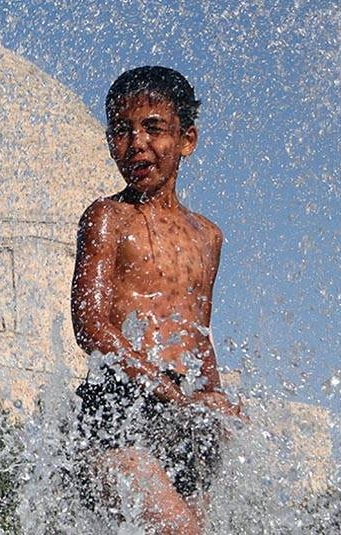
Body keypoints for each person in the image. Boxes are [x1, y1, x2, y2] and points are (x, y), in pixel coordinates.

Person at [71, 66, 243, 534]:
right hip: (119, 407)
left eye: (153, 128)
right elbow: (90, 324)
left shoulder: (207, 236)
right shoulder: (108, 218)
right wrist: (159, 386)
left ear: (187, 140)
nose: (136, 143)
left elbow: (198, 335)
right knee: (179, 530)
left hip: (184, 420)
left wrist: (214, 396)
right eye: (122, 131)